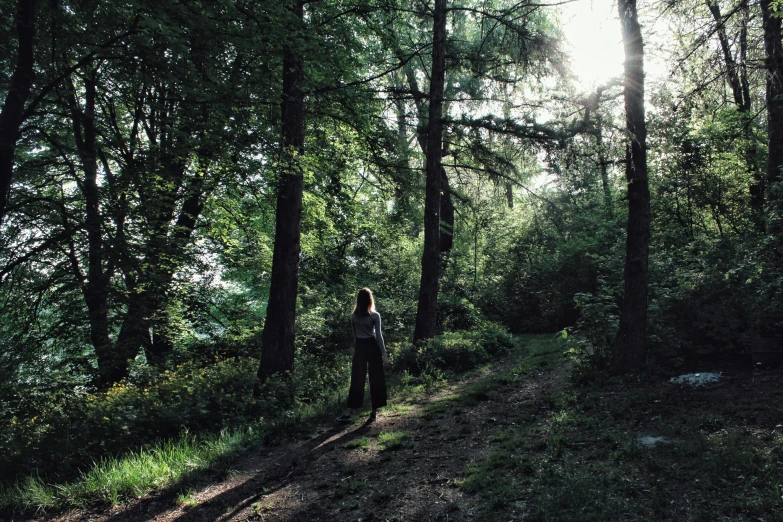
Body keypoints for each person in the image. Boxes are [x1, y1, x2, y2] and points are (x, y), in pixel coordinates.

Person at [337, 287, 389, 424]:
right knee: (375, 379)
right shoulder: (374, 315)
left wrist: (358, 350)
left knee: (357, 379)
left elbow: (355, 337)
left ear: (358, 300)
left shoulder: (354, 316)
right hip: (372, 347)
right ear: (370, 299)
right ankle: (373, 413)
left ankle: (348, 412)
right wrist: (384, 354)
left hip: (360, 347)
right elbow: (379, 337)